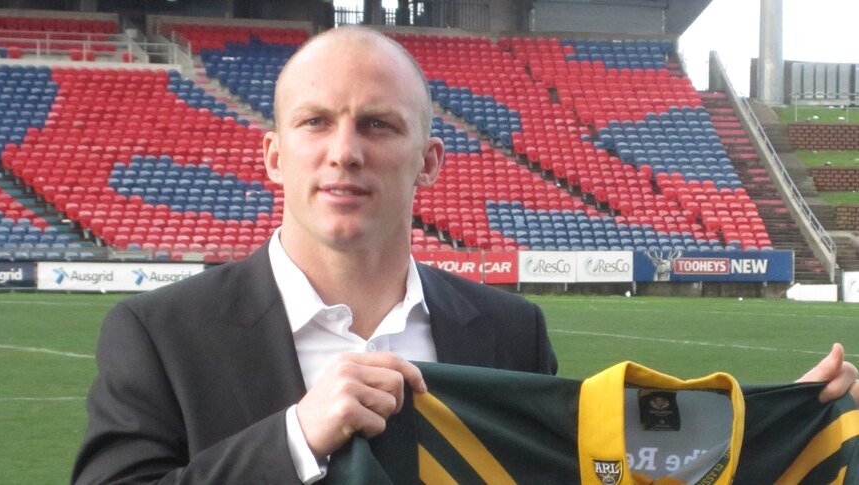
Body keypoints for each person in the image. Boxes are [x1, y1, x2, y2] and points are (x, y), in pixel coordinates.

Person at [72, 26, 858, 484]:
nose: (344, 152)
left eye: (378, 125)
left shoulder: (509, 332)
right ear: (274, 156)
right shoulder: (158, 335)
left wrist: (767, 428)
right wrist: (296, 438)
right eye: (316, 122)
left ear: (430, 161)